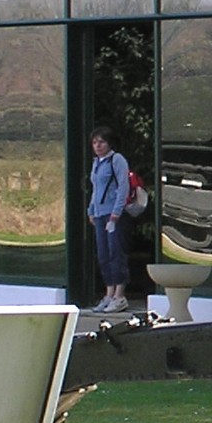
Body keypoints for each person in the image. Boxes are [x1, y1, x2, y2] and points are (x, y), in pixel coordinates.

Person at [87, 126, 133, 313]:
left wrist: (116, 211)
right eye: (95, 142)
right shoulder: (96, 163)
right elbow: (95, 188)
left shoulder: (117, 159)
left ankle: (119, 296)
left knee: (116, 252)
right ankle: (109, 293)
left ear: (109, 143)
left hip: (113, 214)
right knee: (103, 254)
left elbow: (123, 186)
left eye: (102, 142)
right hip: (99, 214)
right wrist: (91, 209)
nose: (98, 146)